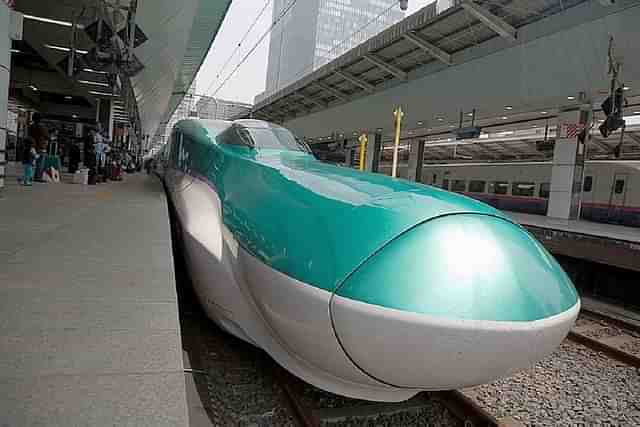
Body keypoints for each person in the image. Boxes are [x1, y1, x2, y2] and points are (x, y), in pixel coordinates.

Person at [29, 113, 49, 182]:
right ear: (40, 119)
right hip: (41, 147)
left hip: (32, 146)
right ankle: (38, 177)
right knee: (40, 163)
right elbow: (46, 136)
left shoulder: (31, 126)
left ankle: (29, 176)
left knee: (31, 163)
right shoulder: (42, 126)